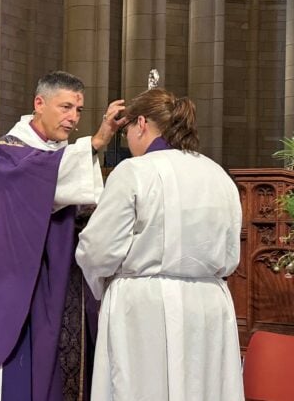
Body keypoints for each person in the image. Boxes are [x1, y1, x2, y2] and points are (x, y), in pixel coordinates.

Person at [0, 70, 126, 401]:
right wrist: (97, 141)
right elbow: (39, 176)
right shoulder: (9, 152)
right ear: (39, 103)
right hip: (23, 279)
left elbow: (76, 193)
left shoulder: (59, 152)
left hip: (65, 273)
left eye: (78, 110)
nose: (72, 118)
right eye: (65, 107)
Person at [75, 88, 244, 400]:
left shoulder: (135, 171)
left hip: (144, 305)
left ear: (141, 123)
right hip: (209, 303)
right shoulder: (218, 174)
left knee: (141, 388)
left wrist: (101, 284)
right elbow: (232, 252)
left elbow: (99, 249)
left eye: (126, 132)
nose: (127, 140)